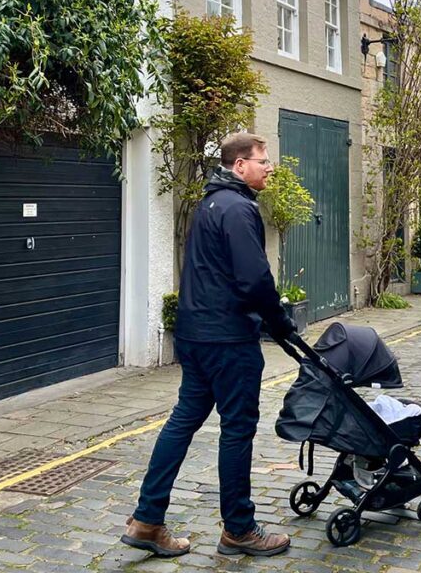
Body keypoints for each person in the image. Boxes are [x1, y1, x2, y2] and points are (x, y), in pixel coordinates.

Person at [121, 132, 296, 558]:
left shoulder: (210, 203)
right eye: (262, 160)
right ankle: (239, 529)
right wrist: (280, 323)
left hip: (195, 334)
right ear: (240, 165)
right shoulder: (238, 209)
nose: (269, 167)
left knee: (182, 422)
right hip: (228, 339)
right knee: (237, 430)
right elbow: (253, 279)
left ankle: (147, 520)